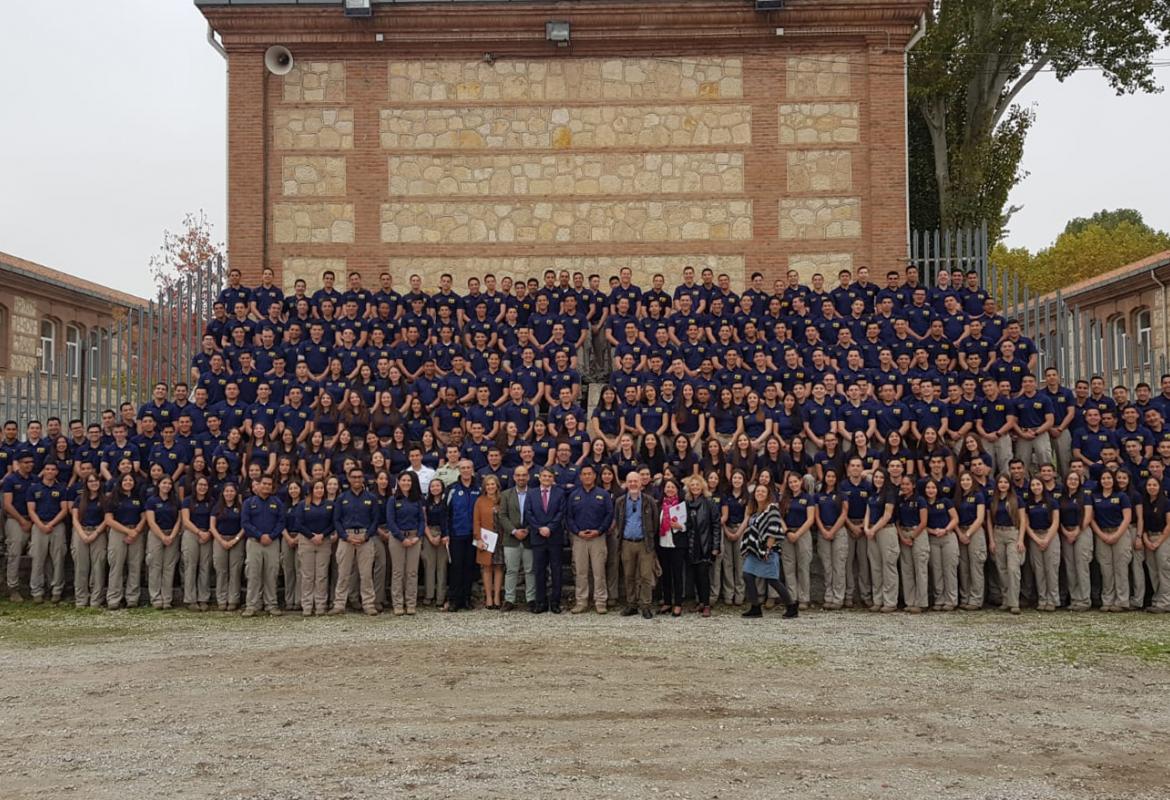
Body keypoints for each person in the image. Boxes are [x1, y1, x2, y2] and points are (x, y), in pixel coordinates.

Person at [739, 482, 798, 619]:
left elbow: (773, 530)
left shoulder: (772, 508)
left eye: (763, 492)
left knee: (772, 580)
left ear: (768, 495)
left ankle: (791, 606)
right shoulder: (755, 510)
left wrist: (767, 549)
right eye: (757, 491)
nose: (759, 493)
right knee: (747, 575)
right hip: (754, 550)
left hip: (767, 550)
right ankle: (755, 608)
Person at [330, 467, 379, 616]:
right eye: (354, 477)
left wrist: (366, 536)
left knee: (366, 574)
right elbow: (336, 520)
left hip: (365, 537)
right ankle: (339, 604)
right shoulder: (342, 498)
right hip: (346, 538)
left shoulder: (371, 498)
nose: (357, 480)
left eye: (359, 477)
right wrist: (345, 536)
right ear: (349, 479)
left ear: (363, 479)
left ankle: (369, 604)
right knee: (343, 573)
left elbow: (375, 520)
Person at [567, 465, 613, 614]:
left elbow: (609, 515)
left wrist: (599, 530)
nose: (587, 476)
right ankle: (581, 601)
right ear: (580, 477)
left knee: (599, 571)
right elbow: (569, 517)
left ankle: (600, 601)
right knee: (581, 572)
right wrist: (577, 532)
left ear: (594, 476)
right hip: (579, 539)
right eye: (584, 474)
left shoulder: (603, 494)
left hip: (597, 538)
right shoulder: (574, 495)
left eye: (590, 474)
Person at [612, 471, 659, 619]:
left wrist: (649, 536)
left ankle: (645, 605)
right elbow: (618, 522)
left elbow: (655, 522)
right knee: (629, 575)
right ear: (626, 483)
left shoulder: (649, 501)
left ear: (640, 483)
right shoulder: (620, 502)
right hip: (626, 543)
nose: (633, 484)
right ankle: (631, 604)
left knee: (645, 576)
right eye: (630, 481)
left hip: (644, 543)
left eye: (635, 481)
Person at [241, 474, 286, 617]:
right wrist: (260, 535)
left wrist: (271, 536)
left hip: (272, 543)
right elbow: (245, 523)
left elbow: (281, 523)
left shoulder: (277, 502)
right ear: (258, 485)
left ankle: (271, 604)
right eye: (264, 483)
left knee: (271, 574)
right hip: (255, 542)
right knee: (253, 574)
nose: (266, 486)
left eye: (269, 484)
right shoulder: (249, 503)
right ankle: (252, 605)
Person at [524, 467, 567, 614]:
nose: (547, 478)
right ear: (539, 477)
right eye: (544, 476)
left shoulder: (560, 493)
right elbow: (528, 513)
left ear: (553, 478)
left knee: (556, 571)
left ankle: (555, 602)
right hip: (538, 537)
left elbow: (561, 512)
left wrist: (550, 528)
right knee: (539, 571)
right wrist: (539, 528)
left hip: (554, 537)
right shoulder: (531, 493)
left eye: (549, 476)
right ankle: (540, 602)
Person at [25, 461, 68, 604]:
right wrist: (40, 525)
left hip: (57, 526)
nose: (50, 471)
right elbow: (31, 510)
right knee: (37, 559)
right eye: (47, 469)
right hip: (39, 526)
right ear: (43, 471)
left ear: (56, 472)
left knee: (58, 559)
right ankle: (36, 591)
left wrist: (51, 524)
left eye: (53, 469)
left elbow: (64, 509)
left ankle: (56, 590)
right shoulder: (34, 488)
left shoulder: (61, 488)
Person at [1091, 469, 1133, 612]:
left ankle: (1121, 601)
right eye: (1103, 478)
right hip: (1102, 534)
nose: (1106, 481)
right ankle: (1107, 600)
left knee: (1120, 568)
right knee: (1106, 568)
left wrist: (1117, 535)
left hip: (1120, 533)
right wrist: (1101, 535)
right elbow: (1091, 518)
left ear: (1113, 480)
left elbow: (1127, 517)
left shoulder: (1121, 496)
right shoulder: (1095, 496)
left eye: (1109, 478)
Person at [105, 473, 147, 610]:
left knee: (134, 566)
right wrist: (127, 531)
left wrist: (135, 531)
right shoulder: (113, 498)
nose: (128, 482)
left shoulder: (138, 498)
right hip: (118, 533)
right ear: (120, 482)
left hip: (136, 533)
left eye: (131, 480)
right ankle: (114, 598)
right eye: (125, 480)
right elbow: (109, 520)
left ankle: (132, 598)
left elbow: (144, 517)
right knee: (116, 566)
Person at [497, 465, 536, 612]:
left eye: (524, 475)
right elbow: (502, 515)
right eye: (518, 475)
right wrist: (513, 531)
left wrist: (528, 530)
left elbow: (537, 514)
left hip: (529, 537)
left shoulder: (534, 493)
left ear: (528, 477)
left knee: (530, 570)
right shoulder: (506, 494)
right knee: (511, 570)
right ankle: (509, 599)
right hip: (511, 538)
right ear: (513, 477)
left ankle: (531, 599)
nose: (521, 478)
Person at [386, 471, 425, 615]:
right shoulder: (393, 500)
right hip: (397, 538)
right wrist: (402, 539)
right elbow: (390, 521)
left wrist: (418, 536)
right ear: (398, 481)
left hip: (414, 538)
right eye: (403, 480)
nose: (406, 483)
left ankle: (411, 604)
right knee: (397, 572)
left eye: (409, 481)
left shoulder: (417, 500)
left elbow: (422, 520)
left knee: (412, 572)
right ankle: (397, 604)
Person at [294, 479, 335, 616]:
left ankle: (320, 605)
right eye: (317, 488)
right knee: (307, 575)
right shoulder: (302, 505)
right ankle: (306, 605)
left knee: (321, 575)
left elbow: (333, 523)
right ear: (311, 490)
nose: (319, 490)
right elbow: (298, 524)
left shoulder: (329, 505)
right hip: (307, 541)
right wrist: (311, 536)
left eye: (321, 488)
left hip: (324, 542)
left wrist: (322, 535)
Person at [443, 460, 480, 612]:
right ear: (459, 470)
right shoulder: (452, 489)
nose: (465, 470)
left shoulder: (479, 488)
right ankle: (454, 599)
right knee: (456, 567)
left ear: (472, 469)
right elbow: (445, 513)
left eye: (468, 468)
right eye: (463, 468)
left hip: (474, 534)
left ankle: (466, 598)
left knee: (469, 567)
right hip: (456, 534)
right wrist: (446, 533)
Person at [70, 472, 109, 609]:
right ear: (86, 484)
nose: (94, 483)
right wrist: (82, 534)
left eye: (96, 481)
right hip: (81, 533)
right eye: (91, 481)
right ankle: (81, 599)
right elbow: (74, 518)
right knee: (81, 567)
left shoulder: (105, 499)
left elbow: (107, 519)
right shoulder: (79, 499)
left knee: (98, 567)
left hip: (98, 533)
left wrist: (96, 533)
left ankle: (96, 599)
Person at [863, 468, 899, 613]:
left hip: (885, 531)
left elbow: (887, 515)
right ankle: (878, 600)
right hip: (871, 532)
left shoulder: (889, 494)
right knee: (876, 567)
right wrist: (866, 528)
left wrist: (873, 529)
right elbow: (868, 512)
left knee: (888, 566)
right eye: (876, 477)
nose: (878, 479)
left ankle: (890, 601)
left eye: (881, 477)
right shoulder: (872, 494)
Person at [1022, 476, 1060, 612]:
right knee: (1039, 570)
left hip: (1050, 536)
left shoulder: (1052, 502)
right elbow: (1026, 524)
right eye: (1033, 485)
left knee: (1051, 569)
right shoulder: (1028, 504)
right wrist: (1036, 539)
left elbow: (1056, 522)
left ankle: (1053, 600)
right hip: (1035, 537)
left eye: (1038, 484)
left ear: (1042, 486)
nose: (1036, 487)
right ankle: (1042, 599)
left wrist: (1047, 538)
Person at [682, 474, 718, 616]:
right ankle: (701, 602)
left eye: (697, 485)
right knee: (695, 575)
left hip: (705, 544)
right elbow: (686, 524)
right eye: (693, 485)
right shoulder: (686, 503)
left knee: (704, 575)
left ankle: (707, 604)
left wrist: (715, 546)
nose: (695, 487)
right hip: (691, 544)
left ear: (702, 486)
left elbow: (716, 525)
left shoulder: (709, 503)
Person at [778, 471, 815, 610]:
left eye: (795, 481)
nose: (793, 484)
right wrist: (787, 531)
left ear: (801, 482)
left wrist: (797, 534)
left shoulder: (808, 498)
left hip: (803, 533)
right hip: (787, 534)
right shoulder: (784, 498)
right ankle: (791, 598)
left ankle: (804, 598)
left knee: (803, 567)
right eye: (791, 482)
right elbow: (780, 517)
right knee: (789, 567)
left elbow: (810, 518)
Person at [988, 474, 1024, 615]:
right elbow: (989, 522)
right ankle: (1005, 599)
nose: (1003, 484)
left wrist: (1020, 539)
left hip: (1012, 533)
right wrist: (991, 540)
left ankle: (1014, 602)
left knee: (1013, 568)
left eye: (1005, 482)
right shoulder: (992, 501)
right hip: (998, 533)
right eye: (1000, 482)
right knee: (1001, 568)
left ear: (1009, 484)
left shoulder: (1017, 500)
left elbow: (1023, 521)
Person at [144, 475, 182, 610]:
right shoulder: (151, 501)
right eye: (164, 483)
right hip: (156, 535)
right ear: (158, 485)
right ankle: (155, 598)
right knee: (155, 566)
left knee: (169, 567)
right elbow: (151, 521)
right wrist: (162, 536)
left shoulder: (175, 500)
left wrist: (172, 535)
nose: (167, 486)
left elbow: (179, 520)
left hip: (172, 534)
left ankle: (167, 599)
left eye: (169, 483)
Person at [1057, 470, 1093, 611]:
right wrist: (1066, 532)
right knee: (1070, 567)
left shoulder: (1085, 496)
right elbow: (1057, 516)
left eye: (1075, 479)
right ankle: (1075, 599)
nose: (1072, 482)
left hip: (1082, 532)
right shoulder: (1062, 497)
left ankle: (1084, 600)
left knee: (1081, 566)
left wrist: (1077, 531)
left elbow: (1088, 516)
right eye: (1070, 479)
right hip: (1066, 533)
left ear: (1080, 481)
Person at [923, 477, 959, 611]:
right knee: (936, 570)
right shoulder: (923, 504)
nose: (930, 490)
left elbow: (955, 518)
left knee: (949, 569)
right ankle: (939, 599)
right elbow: (921, 524)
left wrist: (946, 529)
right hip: (932, 539)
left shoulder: (945, 502)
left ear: (937, 489)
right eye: (928, 488)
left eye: (933, 487)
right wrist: (932, 531)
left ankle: (951, 600)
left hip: (948, 537)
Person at [954, 471, 988, 610]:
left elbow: (980, 518)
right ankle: (965, 597)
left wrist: (967, 534)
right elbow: (953, 517)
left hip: (974, 531)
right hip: (960, 531)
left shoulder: (978, 496)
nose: (965, 482)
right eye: (962, 480)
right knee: (964, 567)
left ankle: (976, 599)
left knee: (976, 566)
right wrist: (960, 533)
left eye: (968, 479)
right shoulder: (957, 497)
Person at [814, 468, 847, 610]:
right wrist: (823, 530)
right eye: (828, 476)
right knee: (827, 566)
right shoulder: (818, 495)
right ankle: (828, 596)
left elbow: (844, 514)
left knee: (838, 566)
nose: (830, 478)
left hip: (838, 531)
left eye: (833, 476)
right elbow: (816, 515)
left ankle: (838, 598)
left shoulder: (842, 494)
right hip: (823, 531)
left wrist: (832, 531)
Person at [894, 474, 928, 613]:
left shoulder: (920, 500)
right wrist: (902, 537)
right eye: (902, 484)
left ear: (913, 485)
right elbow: (896, 521)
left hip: (917, 533)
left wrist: (912, 536)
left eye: (907, 484)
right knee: (907, 569)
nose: (904, 487)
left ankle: (921, 602)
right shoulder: (899, 500)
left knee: (920, 568)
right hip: (903, 533)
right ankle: (910, 601)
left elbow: (924, 521)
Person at [210, 482, 245, 611]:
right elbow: (212, 527)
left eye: (231, 491)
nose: (229, 493)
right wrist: (221, 540)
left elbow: (244, 526)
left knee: (235, 571)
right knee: (221, 571)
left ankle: (233, 600)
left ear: (235, 493)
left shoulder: (241, 507)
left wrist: (235, 539)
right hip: (220, 540)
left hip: (237, 540)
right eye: (227, 491)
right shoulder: (217, 507)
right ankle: (221, 599)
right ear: (223, 493)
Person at [473, 474, 504, 610]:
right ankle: (488, 598)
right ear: (484, 487)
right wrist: (478, 538)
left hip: (501, 538)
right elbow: (476, 521)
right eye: (488, 484)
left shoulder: (503, 499)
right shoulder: (480, 501)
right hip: (486, 539)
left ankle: (497, 596)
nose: (491, 487)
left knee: (498, 567)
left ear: (497, 486)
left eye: (493, 484)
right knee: (486, 568)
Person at [1140, 477, 1170, 613]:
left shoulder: (1166, 502)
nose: (1152, 487)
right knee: (1153, 571)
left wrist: (1158, 541)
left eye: (1154, 485)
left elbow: (1169, 524)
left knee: (1164, 570)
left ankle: (1166, 601)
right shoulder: (1145, 503)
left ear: (1159, 487)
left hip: (1163, 537)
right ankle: (1157, 600)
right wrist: (1146, 539)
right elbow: (1143, 523)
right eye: (1149, 485)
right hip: (1149, 538)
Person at [421, 478, 450, 610]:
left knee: (442, 567)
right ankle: (429, 595)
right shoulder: (425, 503)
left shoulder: (447, 502)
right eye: (432, 486)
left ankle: (440, 597)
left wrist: (443, 535)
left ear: (442, 487)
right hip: (429, 534)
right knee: (429, 565)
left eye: (438, 485)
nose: (435, 488)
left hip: (444, 535)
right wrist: (430, 536)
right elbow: (423, 521)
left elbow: (448, 519)